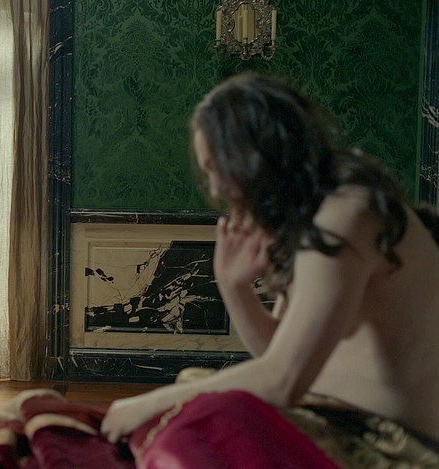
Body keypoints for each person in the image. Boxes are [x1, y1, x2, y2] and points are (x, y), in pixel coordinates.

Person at [101, 74, 439, 451]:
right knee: (197, 395)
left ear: (253, 155)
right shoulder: (312, 210)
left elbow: (282, 381)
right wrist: (233, 285)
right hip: (341, 416)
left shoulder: (346, 214)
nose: (215, 189)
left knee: (191, 421)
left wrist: (148, 403)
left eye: (215, 166)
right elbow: (278, 353)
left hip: (400, 443)